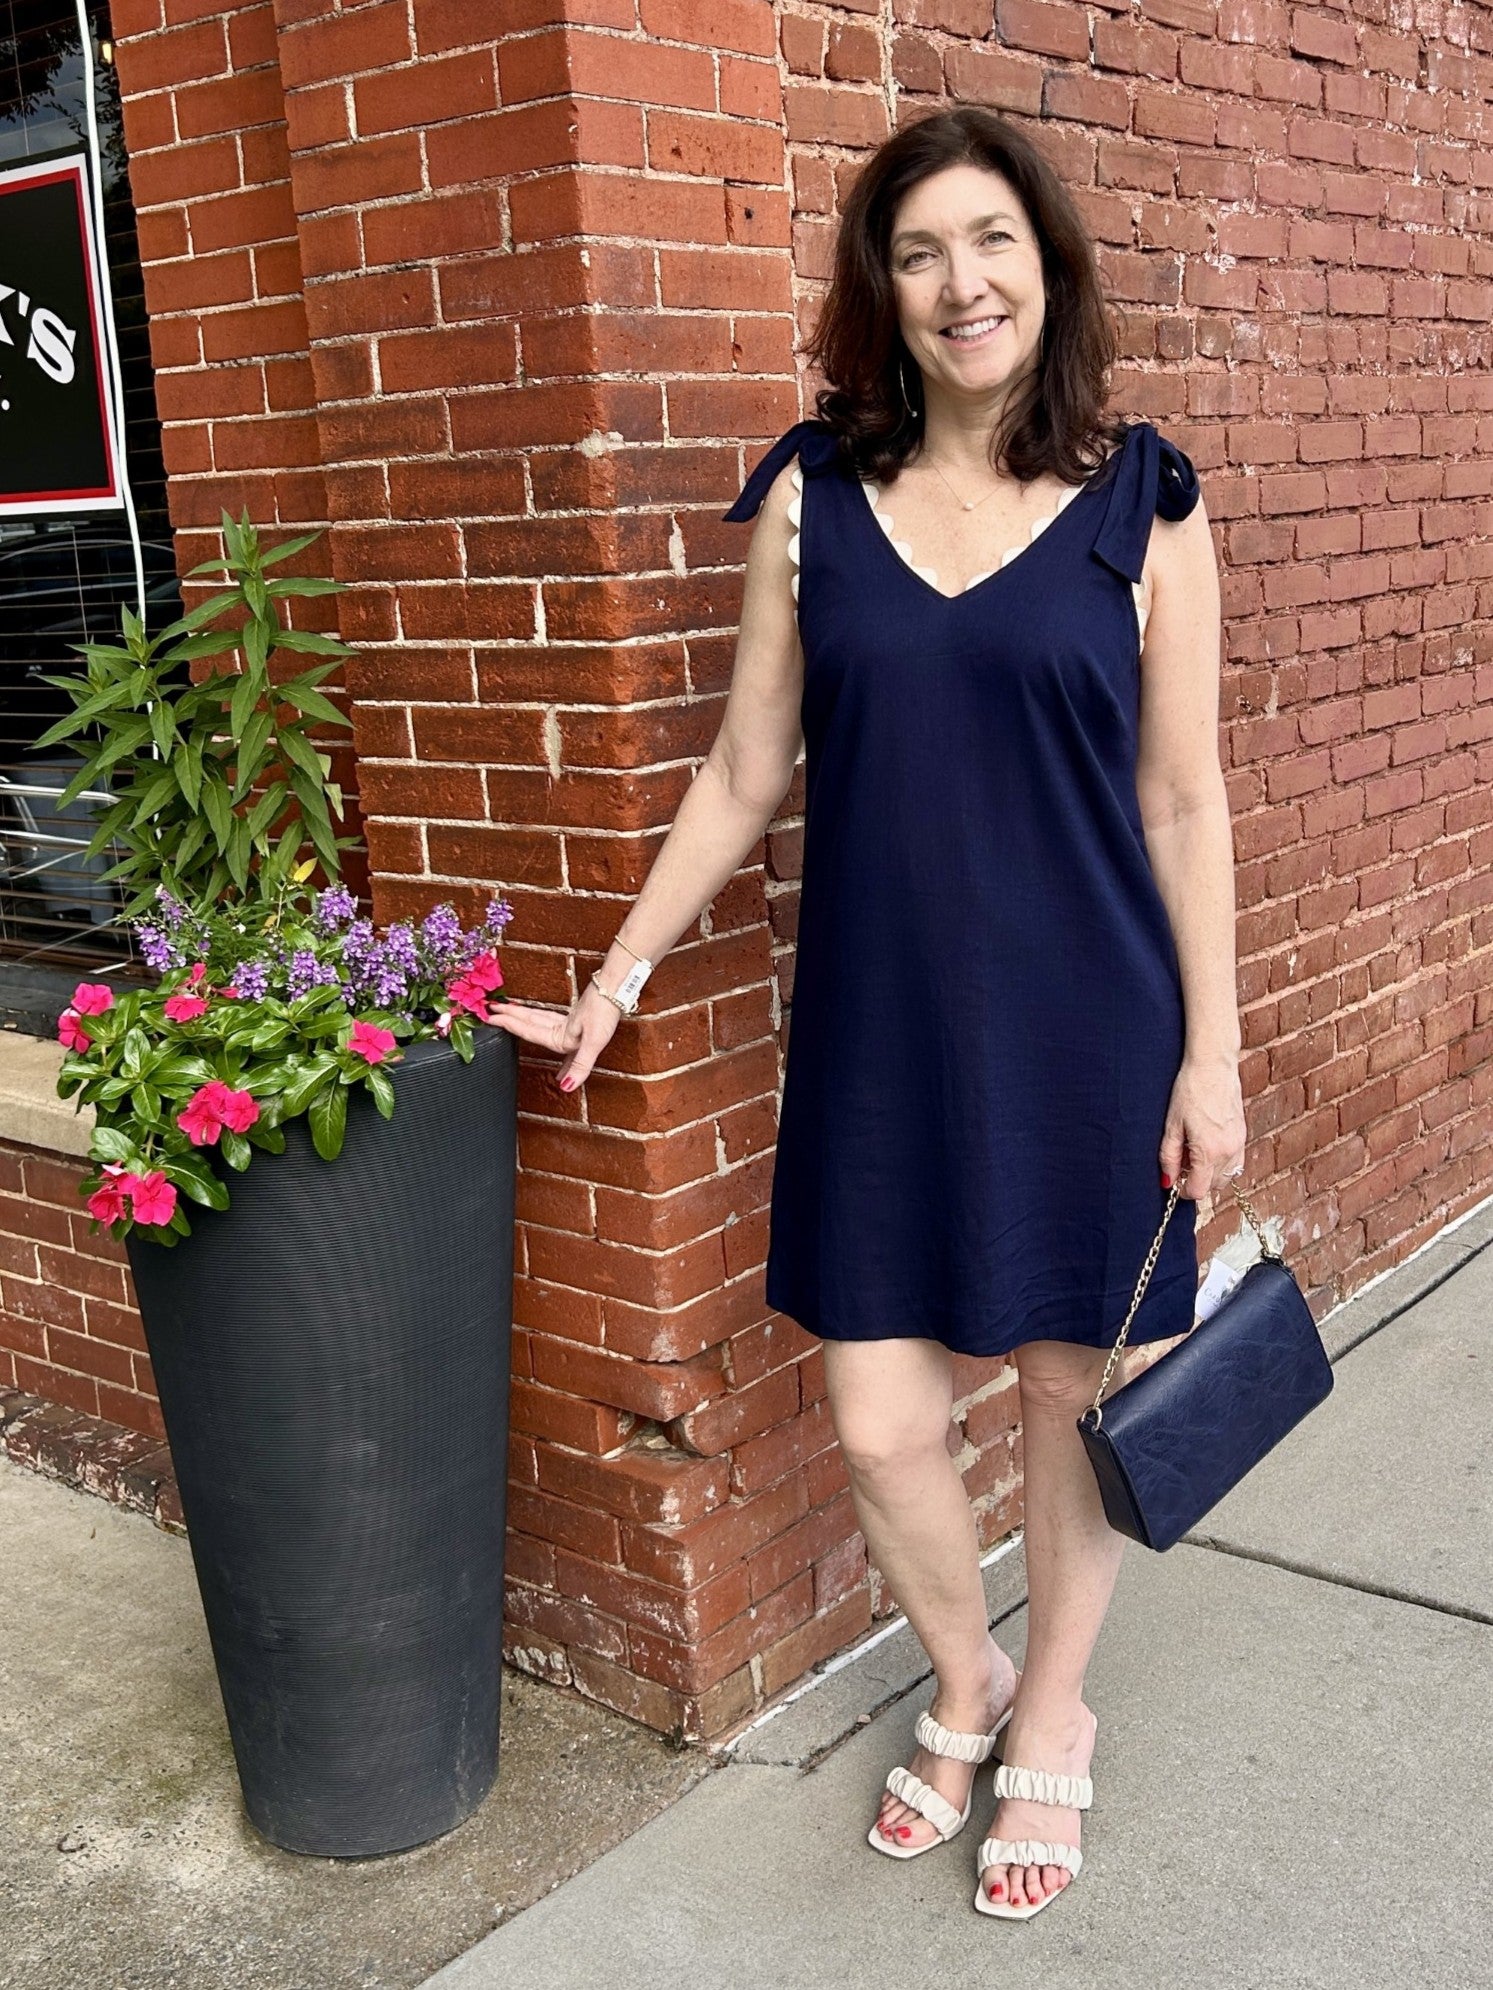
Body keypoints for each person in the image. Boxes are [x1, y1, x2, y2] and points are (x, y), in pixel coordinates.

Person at [490, 104, 1246, 1920]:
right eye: (916, 254)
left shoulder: (1145, 498)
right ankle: (964, 1677)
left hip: (1090, 1028)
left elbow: (1181, 800)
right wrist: (616, 975)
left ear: (1043, 266)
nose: (957, 283)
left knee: (1071, 1395)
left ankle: (1049, 1708)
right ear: (879, 291)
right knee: (884, 1419)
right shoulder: (814, 503)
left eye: (988, 242)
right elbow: (749, 767)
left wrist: (1211, 1052)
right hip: (880, 1036)